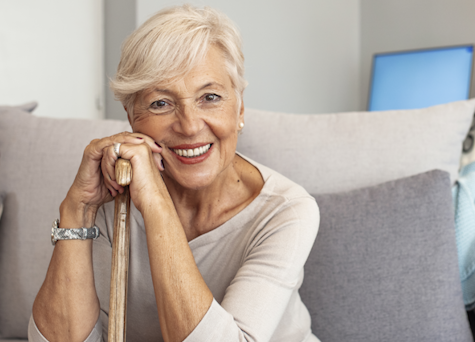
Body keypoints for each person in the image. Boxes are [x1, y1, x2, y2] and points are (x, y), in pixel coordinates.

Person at [29, 5, 320, 342]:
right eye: (160, 103)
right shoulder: (110, 190)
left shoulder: (286, 210)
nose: (190, 125)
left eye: (210, 97)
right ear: (131, 116)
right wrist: (77, 209)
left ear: (239, 109)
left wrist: (155, 204)